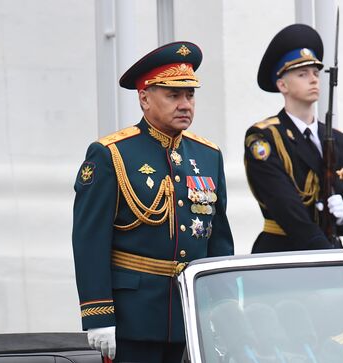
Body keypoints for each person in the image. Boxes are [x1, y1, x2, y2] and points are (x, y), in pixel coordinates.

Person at [72, 41, 234, 362]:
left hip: (189, 316)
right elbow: (90, 240)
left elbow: (219, 241)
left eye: (190, 95)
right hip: (133, 318)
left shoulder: (208, 154)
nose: (185, 104)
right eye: (173, 95)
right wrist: (98, 314)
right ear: (144, 98)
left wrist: (221, 307)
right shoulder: (111, 154)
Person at [244, 24, 343, 253]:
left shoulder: (342, 143)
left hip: (329, 250)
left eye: (315, 73)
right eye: (302, 74)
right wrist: (326, 256)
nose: (313, 80)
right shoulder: (264, 137)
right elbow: (286, 207)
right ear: (282, 85)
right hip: (283, 255)